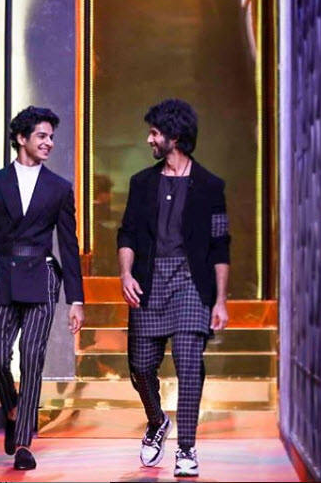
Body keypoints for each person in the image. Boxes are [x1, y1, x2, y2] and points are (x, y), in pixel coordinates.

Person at [117, 99, 230, 478]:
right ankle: (157, 421)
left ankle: (187, 448)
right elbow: (127, 233)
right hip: (148, 282)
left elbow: (220, 245)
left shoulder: (210, 186)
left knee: (189, 364)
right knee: (140, 366)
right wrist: (126, 274)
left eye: (154, 133)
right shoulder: (142, 183)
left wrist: (221, 300)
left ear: (174, 137)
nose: (149, 139)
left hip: (191, 285)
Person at [0, 106, 84, 470]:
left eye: (51, 137)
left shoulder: (60, 188)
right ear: (21, 138)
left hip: (42, 277)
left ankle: (23, 443)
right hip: (0, 276)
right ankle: (14, 407)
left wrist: (76, 299)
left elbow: (69, 245)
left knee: (32, 357)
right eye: (42, 136)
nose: (49, 143)